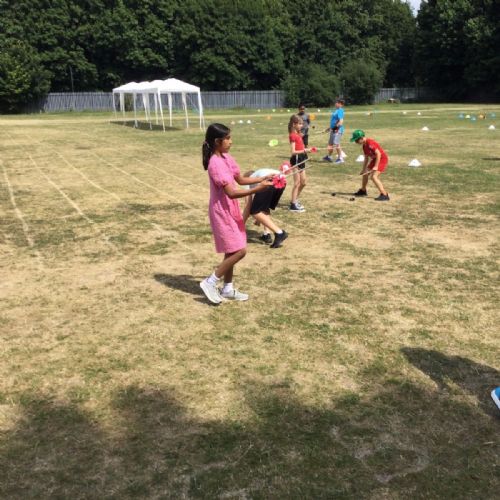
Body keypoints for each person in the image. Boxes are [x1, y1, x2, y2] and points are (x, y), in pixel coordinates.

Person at [200, 123, 274, 304]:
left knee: (232, 249)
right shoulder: (215, 164)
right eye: (227, 138)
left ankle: (227, 289)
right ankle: (210, 282)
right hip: (221, 212)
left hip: (230, 209)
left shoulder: (226, 157)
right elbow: (231, 192)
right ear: (217, 141)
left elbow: (239, 179)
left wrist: (261, 178)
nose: (231, 141)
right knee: (240, 250)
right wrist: (258, 188)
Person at [242, 168, 288, 249]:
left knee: (255, 211)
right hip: (282, 181)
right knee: (264, 208)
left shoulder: (248, 180)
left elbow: (247, 207)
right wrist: (259, 218)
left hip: (269, 181)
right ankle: (266, 234)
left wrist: (240, 226)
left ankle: (279, 233)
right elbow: (263, 208)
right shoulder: (259, 173)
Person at [350, 129, 390, 201]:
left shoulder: (370, 143)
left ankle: (384, 194)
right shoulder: (364, 146)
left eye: (356, 140)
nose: (356, 142)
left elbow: (378, 154)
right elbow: (366, 158)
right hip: (375, 159)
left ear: (361, 138)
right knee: (365, 173)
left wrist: (376, 166)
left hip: (382, 159)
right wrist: (363, 169)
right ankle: (363, 191)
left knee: (374, 176)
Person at [288, 114, 309, 212]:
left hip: (302, 158)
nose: (301, 125)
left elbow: (301, 147)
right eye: (299, 124)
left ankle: (295, 199)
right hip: (296, 159)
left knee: (303, 182)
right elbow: (293, 152)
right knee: (297, 183)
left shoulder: (298, 134)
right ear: (294, 124)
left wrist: (308, 149)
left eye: (302, 124)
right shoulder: (292, 135)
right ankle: (293, 205)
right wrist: (305, 150)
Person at [323, 98, 345, 164]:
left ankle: (340, 158)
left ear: (340, 104)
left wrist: (334, 128)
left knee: (337, 144)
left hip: (337, 130)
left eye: (336, 103)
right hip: (333, 130)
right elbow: (334, 122)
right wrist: (329, 128)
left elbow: (341, 122)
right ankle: (329, 157)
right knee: (330, 144)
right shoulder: (336, 110)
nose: (335, 104)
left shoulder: (340, 110)